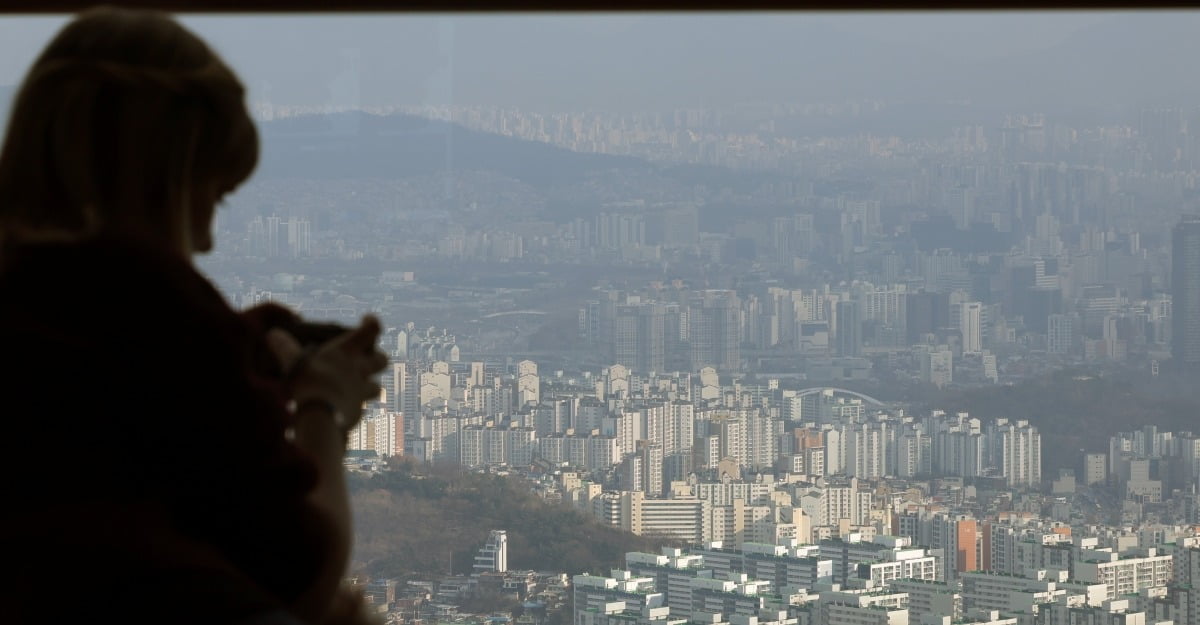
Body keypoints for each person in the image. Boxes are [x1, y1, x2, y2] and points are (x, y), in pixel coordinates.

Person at [0, 7, 388, 625]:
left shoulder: (32, 290)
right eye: (212, 194)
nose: (206, 238)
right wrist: (324, 405)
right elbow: (305, 573)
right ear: (165, 181)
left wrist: (252, 344)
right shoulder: (152, 302)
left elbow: (114, 364)